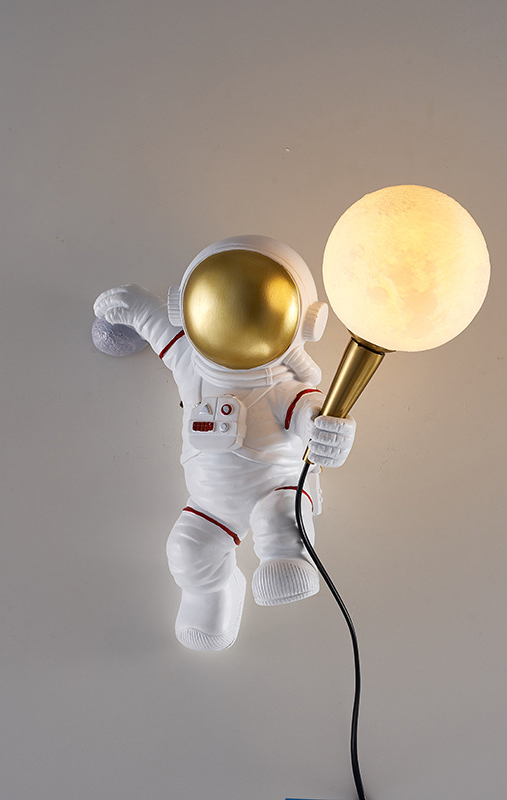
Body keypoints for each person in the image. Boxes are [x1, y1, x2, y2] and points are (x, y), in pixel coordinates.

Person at [92, 236, 355, 651]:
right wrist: (136, 307)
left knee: (280, 519)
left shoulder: (283, 386)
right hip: (211, 502)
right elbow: (161, 329)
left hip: (279, 486)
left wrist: (327, 433)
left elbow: (310, 413)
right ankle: (213, 594)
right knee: (187, 550)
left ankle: (288, 560)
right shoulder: (193, 364)